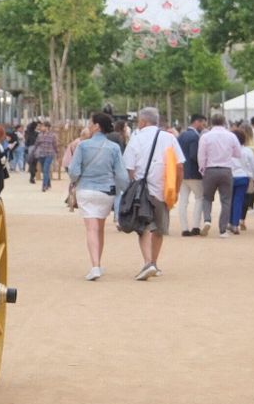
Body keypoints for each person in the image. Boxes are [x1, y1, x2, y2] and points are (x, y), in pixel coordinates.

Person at [123, 107, 182, 281]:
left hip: (143, 191)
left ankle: (148, 262)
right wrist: (176, 189)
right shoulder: (170, 138)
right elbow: (179, 166)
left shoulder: (136, 138)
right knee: (159, 228)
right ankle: (154, 263)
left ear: (142, 121)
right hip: (164, 190)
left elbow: (129, 167)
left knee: (144, 227)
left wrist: (134, 185)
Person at [67, 112, 127, 281]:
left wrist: (75, 180)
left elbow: (73, 170)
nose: (88, 126)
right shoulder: (114, 148)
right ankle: (98, 263)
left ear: (97, 126)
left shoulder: (83, 146)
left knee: (91, 229)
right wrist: (125, 191)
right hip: (107, 192)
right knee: (99, 228)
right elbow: (121, 175)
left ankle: (95, 266)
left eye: (90, 123)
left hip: (86, 190)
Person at [197, 114, 238, 238]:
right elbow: (238, 153)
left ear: (211, 122)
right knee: (226, 200)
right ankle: (223, 229)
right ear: (224, 122)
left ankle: (207, 220)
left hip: (210, 169)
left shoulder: (206, 137)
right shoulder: (231, 136)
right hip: (226, 169)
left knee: (207, 198)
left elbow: (201, 155)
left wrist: (202, 169)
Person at [176, 114, 206, 236]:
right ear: (197, 122)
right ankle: (195, 226)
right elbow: (194, 155)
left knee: (183, 200)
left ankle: (184, 228)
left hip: (182, 172)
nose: (203, 126)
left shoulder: (181, 135)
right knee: (199, 198)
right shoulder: (195, 137)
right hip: (194, 173)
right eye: (203, 123)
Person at [228, 127, 254, 234]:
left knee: (228, 200)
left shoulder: (228, 150)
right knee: (238, 201)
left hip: (229, 177)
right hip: (243, 178)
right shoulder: (248, 151)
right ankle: (235, 224)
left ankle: (228, 222)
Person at [33, 123, 59, 192]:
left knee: (45, 169)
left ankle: (44, 186)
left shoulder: (53, 135)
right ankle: (48, 183)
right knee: (44, 170)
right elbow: (36, 144)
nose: (41, 128)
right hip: (41, 155)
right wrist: (34, 152)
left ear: (47, 127)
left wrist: (57, 153)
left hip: (49, 154)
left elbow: (55, 145)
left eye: (43, 126)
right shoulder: (40, 135)